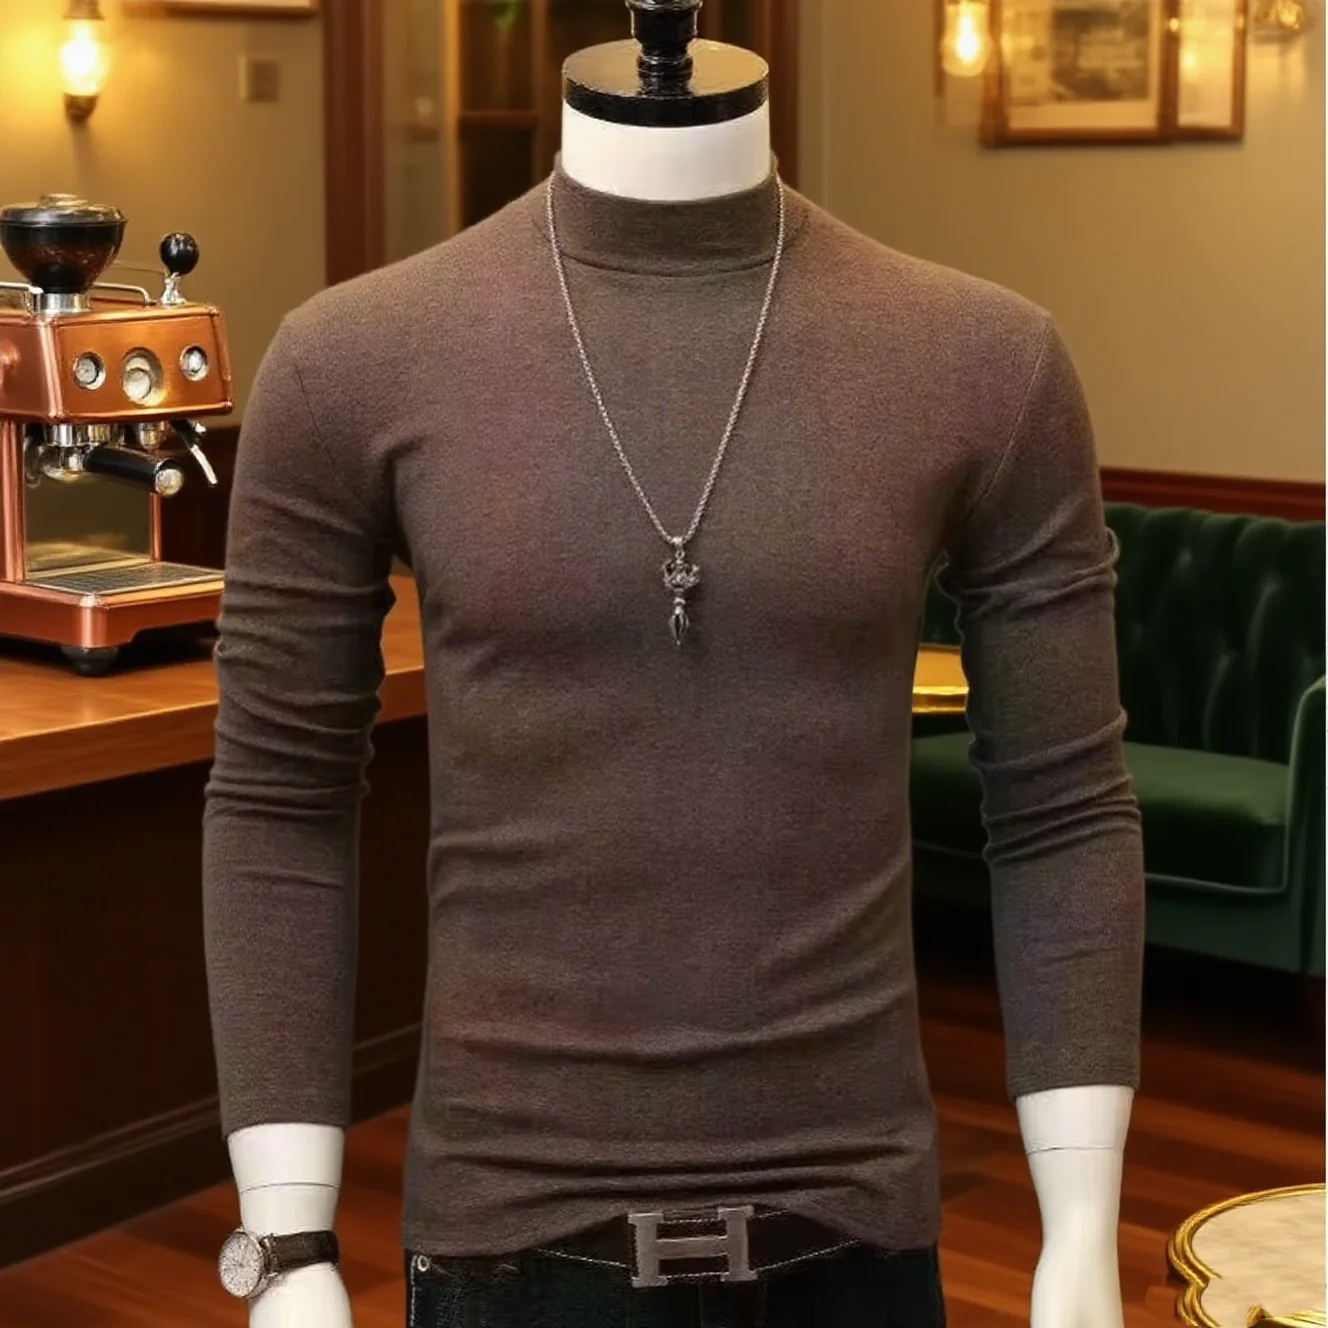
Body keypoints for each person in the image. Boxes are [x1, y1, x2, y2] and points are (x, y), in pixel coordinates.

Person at [202, 9, 1145, 1327]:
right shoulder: (351, 360)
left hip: (854, 1236)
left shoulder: (986, 363)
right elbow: (279, 804)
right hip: (510, 1242)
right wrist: (289, 1248)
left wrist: (1083, 1233)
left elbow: (1062, 808)